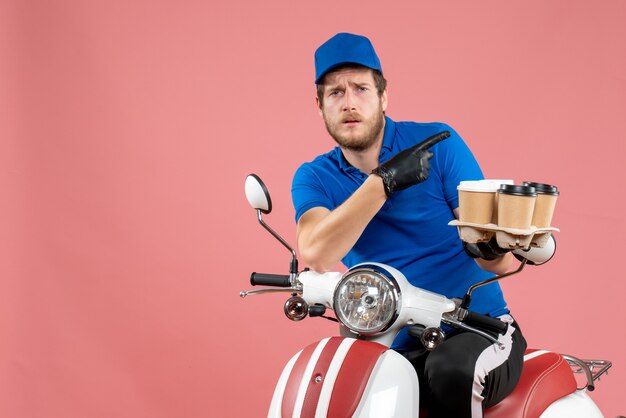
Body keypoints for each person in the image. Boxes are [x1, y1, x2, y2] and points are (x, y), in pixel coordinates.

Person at [291, 32, 527, 418]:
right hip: (386, 336)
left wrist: (495, 247)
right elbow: (317, 253)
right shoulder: (314, 177)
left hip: (476, 330)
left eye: (361, 88)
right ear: (319, 106)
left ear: (384, 97)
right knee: (333, 381)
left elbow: (495, 261)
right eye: (335, 93)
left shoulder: (438, 144)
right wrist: (383, 182)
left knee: (449, 371)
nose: (349, 103)